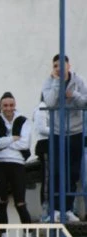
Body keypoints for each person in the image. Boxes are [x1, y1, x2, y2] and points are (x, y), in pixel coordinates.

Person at [42, 54, 87, 222]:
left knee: (73, 172)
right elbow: (50, 103)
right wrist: (56, 83)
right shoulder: (49, 81)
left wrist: (73, 95)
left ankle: (68, 209)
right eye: (55, 66)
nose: (59, 68)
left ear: (69, 65)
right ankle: (55, 210)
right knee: (56, 171)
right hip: (57, 133)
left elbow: (85, 102)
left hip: (76, 132)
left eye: (62, 65)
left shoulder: (79, 81)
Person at [0, 92, 33, 229]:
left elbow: (25, 144)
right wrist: (13, 138)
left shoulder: (24, 121)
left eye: (11, 105)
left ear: (15, 105)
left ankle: (29, 235)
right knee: (1, 201)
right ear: (1, 106)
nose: (8, 108)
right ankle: (3, 235)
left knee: (20, 202)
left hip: (18, 163)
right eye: (5, 105)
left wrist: (3, 143)